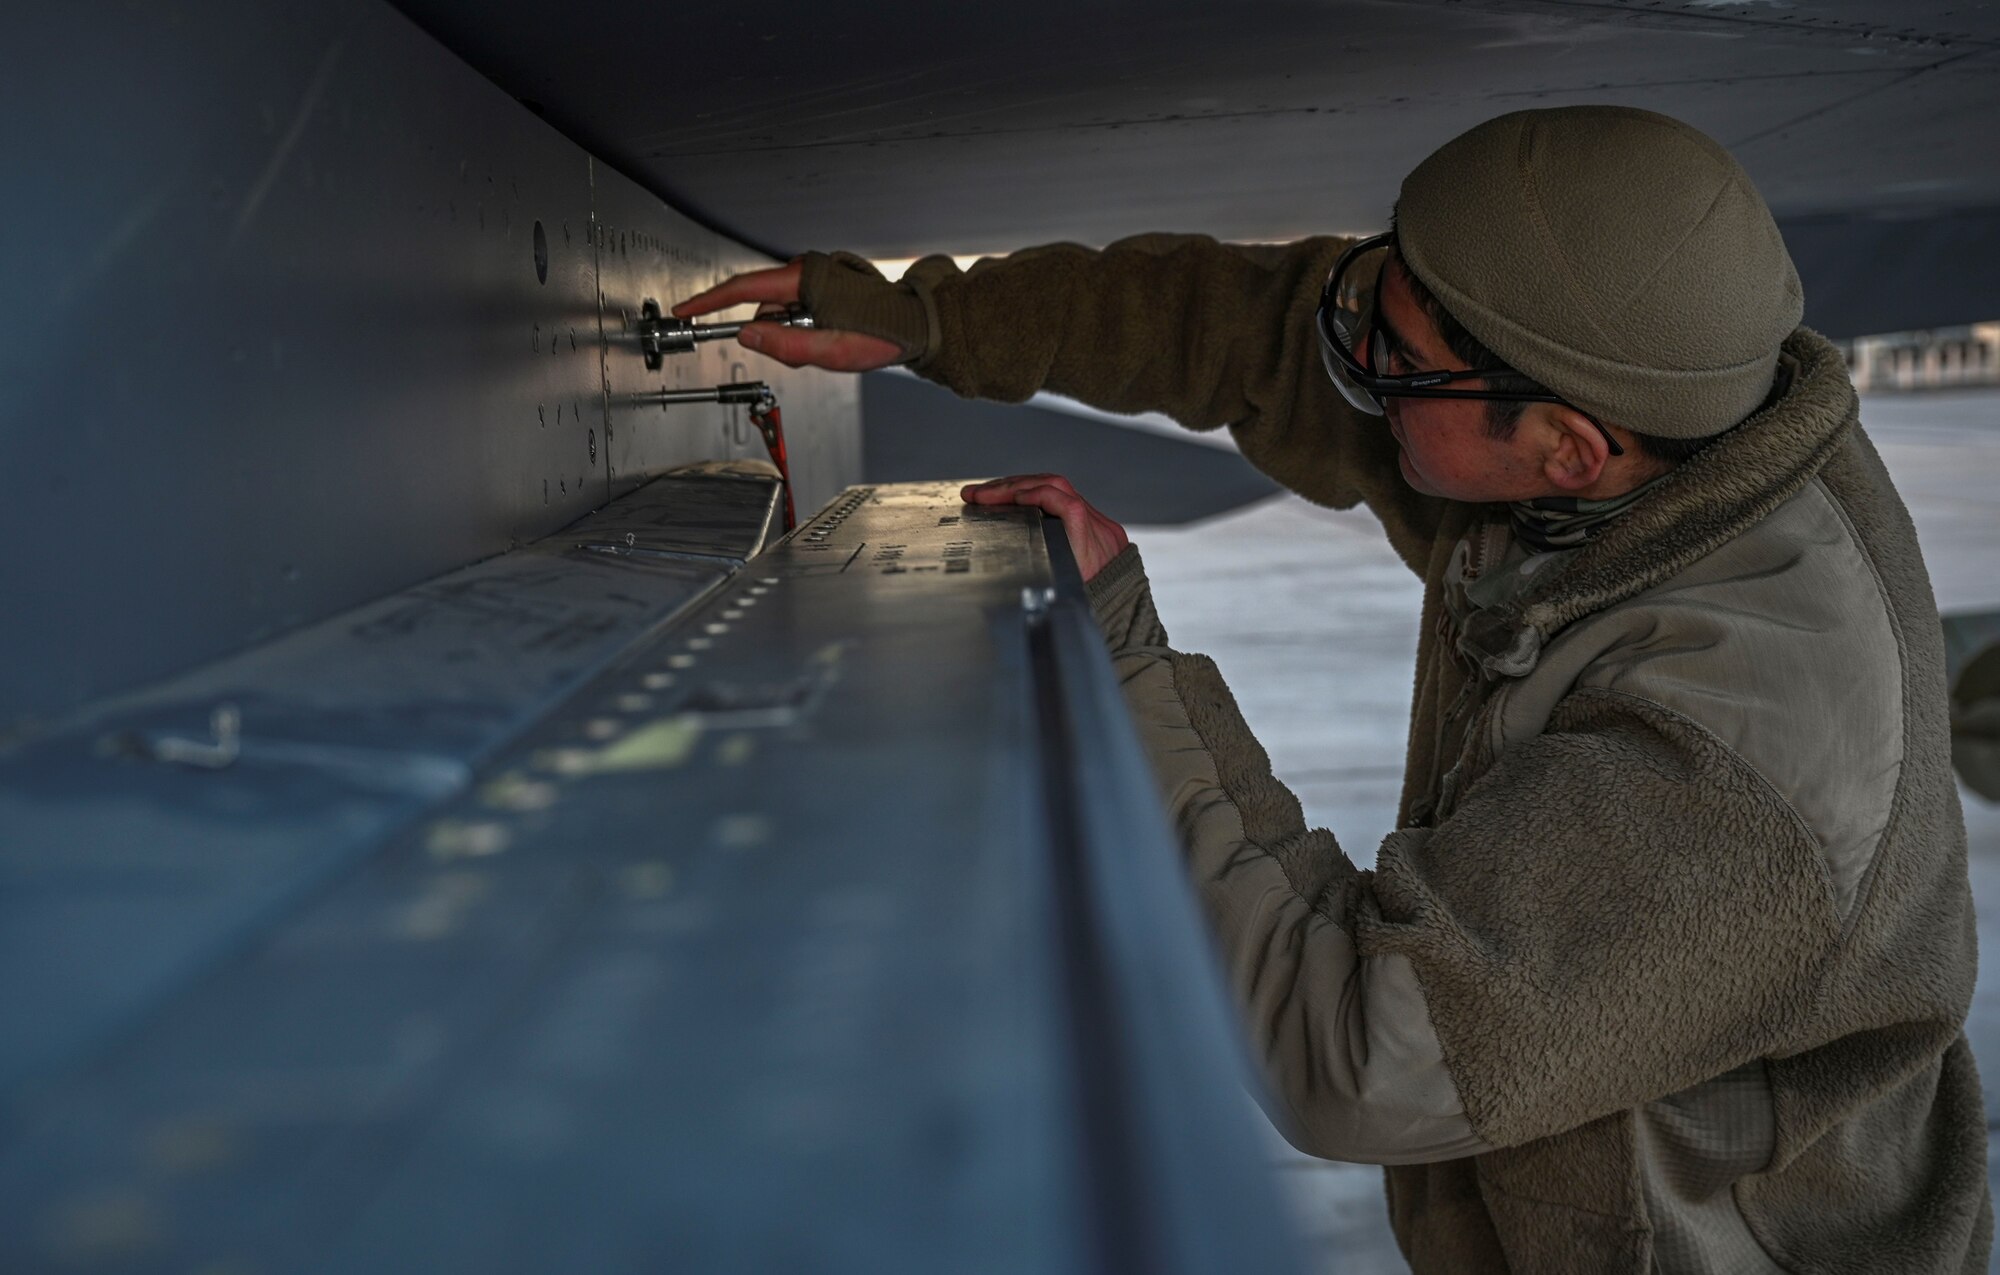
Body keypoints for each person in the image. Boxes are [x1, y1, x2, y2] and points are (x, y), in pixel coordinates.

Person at [676, 105, 1991, 1272]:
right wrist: (931, 320)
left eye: (1393, 364)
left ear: (1567, 452)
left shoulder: (1733, 757)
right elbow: (1263, 328)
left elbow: (1355, 1047)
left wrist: (1126, 650)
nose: (1352, 357)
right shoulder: (1666, 417)